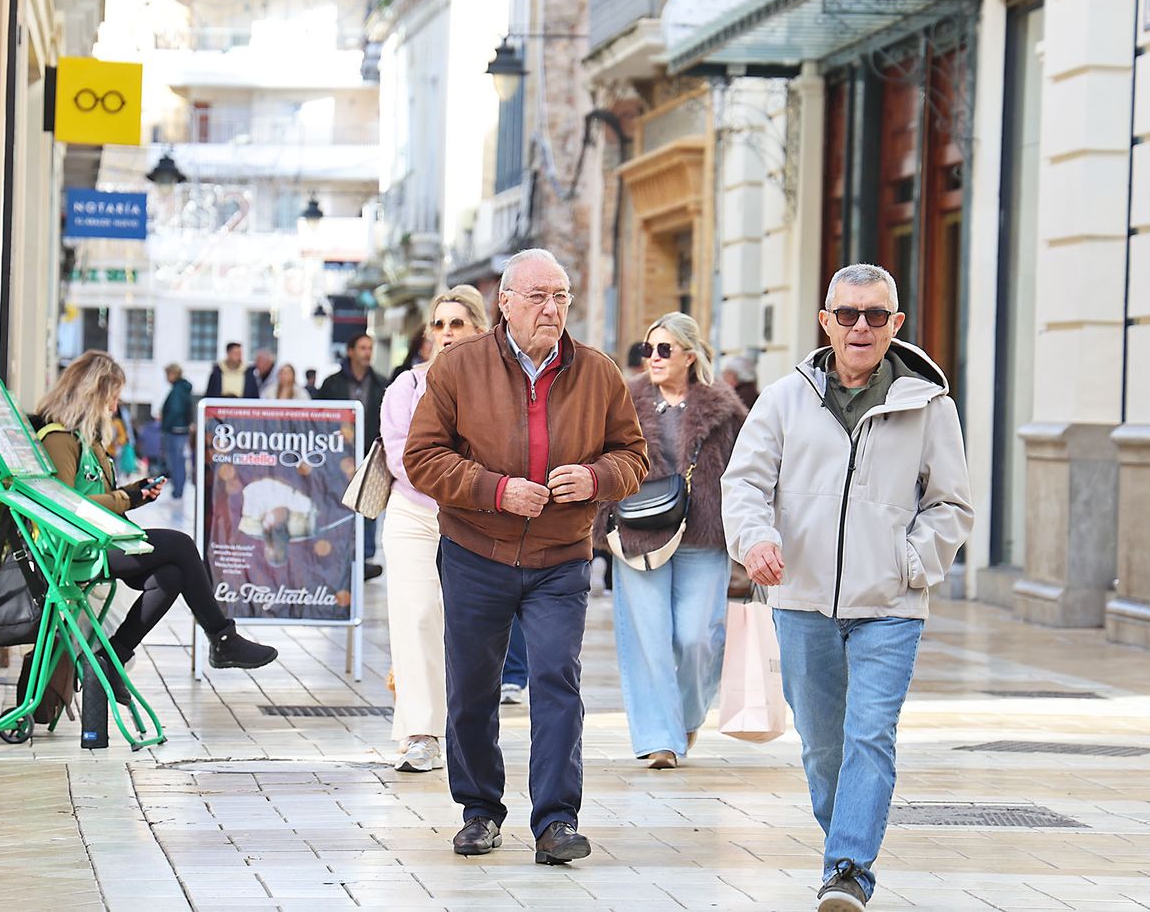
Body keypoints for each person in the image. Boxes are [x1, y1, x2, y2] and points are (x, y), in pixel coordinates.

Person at [721, 263, 973, 911]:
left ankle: (849, 869)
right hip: (802, 600)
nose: (862, 326)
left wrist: (911, 564)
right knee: (824, 747)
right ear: (826, 321)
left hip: (890, 606)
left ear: (897, 324)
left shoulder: (929, 405)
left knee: (870, 735)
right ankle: (844, 840)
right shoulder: (783, 398)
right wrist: (755, 539)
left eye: (876, 314)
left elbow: (952, 504)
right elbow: (744, 482)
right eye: (849, 313)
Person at [406, 248, 647, 866]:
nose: (551, 307)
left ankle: (556, 821)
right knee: (473, 689)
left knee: (554, 679)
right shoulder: (459, 368)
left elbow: (634, 456)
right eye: (537, 295)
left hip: (561, 557)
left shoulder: (598, 372)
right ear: (504, 303)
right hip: (474, 551)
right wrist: (496, 490)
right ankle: (480, 811)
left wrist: (596, 479)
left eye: (561, 295)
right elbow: (423, 458)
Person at [35, 351, 278, 703]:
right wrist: (124, 498)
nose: (116, 404)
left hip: (100, 539)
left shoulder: (89, 439)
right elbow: (68, 506)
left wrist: (134, 495)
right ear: (94, 393)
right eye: (114, 394)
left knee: (171, 576)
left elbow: (98, 497)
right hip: (77, 549)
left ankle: (110, 658)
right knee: (180, 545)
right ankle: (224, 640)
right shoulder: (60, 439)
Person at [608, 312, 746, 769]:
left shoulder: (723, 409)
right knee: (647, 637)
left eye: (665, 349)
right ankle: (659, 739)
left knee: (697, 637)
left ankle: (687, 715)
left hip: (703, 533)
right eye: (649, 349)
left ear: (690, 355)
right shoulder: (623, 401)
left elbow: (749, 472)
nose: (654, 358)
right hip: (639, 532)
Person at [381, 285, 490, 773]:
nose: (447, 333)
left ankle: (465, 731)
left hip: (478, 518)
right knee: (418, 615)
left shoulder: (497, 386)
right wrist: (462, 482)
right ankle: (420, 733)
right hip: (415, 514)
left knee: (466, 627)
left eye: (458, 324)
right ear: (429, 335)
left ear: (480, 331)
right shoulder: (406, 387)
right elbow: (403, 458)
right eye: (440, 325)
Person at [316, 333, 389, 580]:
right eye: (362, 348)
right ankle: (337, 554)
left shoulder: (380, 383)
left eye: (370, 347)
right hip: (338, 456)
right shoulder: (331, 384)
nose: (367, 352)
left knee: (368, 502)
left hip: (370, 455)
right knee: (337, 505)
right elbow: (319, 419)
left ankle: (365, 558)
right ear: (350, 351)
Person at [159, 363, 195, 500]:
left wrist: (165, 425)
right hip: (182, 429)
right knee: (179, 461)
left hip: (174, 430)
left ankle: (177, 490)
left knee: (175, 461)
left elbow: (175, 410)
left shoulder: (177, 391)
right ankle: (178, 489)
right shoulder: (183, 389)